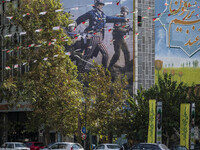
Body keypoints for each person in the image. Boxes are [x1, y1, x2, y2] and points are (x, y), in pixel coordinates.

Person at [76, 0, 127, 68]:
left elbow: (112, 18)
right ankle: (80, 68)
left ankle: (104, 70)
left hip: (100, 37)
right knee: (88, 54)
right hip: (93, 36)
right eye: (99, 4)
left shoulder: (103, 15)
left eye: (101, 4)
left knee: (106, 54)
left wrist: (123, 19)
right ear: (96, 5)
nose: (101, 6)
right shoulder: (91, 13)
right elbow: (80, 18)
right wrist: (74, 25)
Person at [108, 6, 131, 72]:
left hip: (121, 38)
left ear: (127, 13)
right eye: (123, 12)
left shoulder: (124, 19)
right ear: (121, 12)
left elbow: (124, 27)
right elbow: (118, 28)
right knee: (117, 54)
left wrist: (128, 28)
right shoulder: (118, 18)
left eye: (126, 12)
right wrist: (126, 30)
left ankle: (127, 67)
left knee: (126, 52)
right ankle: (110, 66)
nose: (124, 13)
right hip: (117, 39)